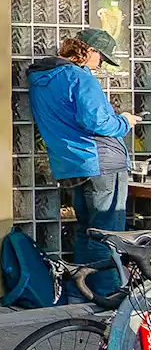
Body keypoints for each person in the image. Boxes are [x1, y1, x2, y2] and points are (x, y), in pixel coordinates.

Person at [28, 28, 140, 297]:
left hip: (70, 164)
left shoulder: (40, 78)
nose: (101, 63)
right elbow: (97, 122)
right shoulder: (80, 78)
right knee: (108, 233)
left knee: (85, 231)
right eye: (101, 57)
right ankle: (109, 296)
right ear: (88, 50)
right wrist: (125, 120)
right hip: (101, 161)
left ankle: (80, 294)